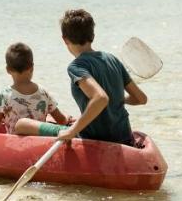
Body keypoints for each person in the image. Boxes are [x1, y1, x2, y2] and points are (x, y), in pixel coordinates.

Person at [45, 8, 147, 146]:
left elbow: (100, 98)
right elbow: (141, 99)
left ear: (65, 39)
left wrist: (72, 131)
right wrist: (118, 98)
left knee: (23, 125)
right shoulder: (112, 60)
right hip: (124, 137)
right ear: (92, 35)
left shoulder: (76, 67)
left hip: (97, 139)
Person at [0, 42, 70, 135]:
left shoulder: (5, 95)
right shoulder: (44, 92)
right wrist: (68, 118)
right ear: (32, 67)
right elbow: (61, 120)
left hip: (14, 145)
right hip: (39, 142)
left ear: (7, 69)